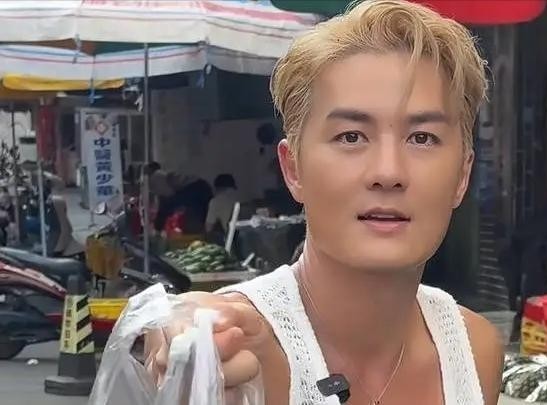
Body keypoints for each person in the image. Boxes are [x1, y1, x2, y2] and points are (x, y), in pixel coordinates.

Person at [144, 1, 504, 404]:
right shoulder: (238, 351)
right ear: (293, 168)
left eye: (422, 138)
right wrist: (192, 337)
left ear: (462, 175)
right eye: (351, 137)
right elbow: (190, 321)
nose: (388, 172)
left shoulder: (474, 352)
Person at [145, 162, 214, 235]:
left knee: (168, 206)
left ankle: (158, 232)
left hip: (195, 189)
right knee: (200, 219)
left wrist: (158, 226)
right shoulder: (161, 176)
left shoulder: (156, 176)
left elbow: (168, 199)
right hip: (200, 188)